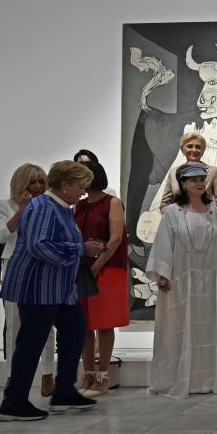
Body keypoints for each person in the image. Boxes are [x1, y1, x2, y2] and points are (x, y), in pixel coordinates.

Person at [0, 161, 105, 420]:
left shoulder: (61, 208)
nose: (83, 191)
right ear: (64, 185)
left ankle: (64, 393)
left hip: (59, 288)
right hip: (37, 287)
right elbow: (39, 246)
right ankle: (13, 403)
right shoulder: (43, 207)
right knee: (31, 342)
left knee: (75, 329)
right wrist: (81, 249)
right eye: (80, 186)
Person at [146, 162, 217, 399]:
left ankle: (206, 379)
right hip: (181, 279)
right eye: (193, 179)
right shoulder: (173, 212)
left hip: (210, 278)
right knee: (180, 326)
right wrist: (163, 275)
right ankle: (179, 378)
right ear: (183, 183)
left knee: (209, 325)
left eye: (202, 178)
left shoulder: (213, 210)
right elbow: (164, 244)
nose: (199, 182)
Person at [0, 163, 56, 397]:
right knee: (14, 323)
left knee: (47, 323)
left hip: (42, 266)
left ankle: (48, 373)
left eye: (41, 181)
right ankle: (12, 374)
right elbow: (0, 235)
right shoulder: (5, 205)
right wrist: (21, 209)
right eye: (33, 182)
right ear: (21, 184)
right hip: (14, 265)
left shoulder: (50, 206)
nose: (38, 186)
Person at [74, 161, 129, 397]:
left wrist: (96, 266)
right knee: (83, 324)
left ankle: (103, 376)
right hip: (83, 269)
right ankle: (88, 374)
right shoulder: (79, 205)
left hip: (108, 269)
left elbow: (115, 239)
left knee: (104, 322)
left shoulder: (112, 202)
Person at [155, 132, 217, 216]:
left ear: (203, 151)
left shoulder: (213, 172)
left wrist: (209, 217)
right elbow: (164, 203)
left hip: (204, 226)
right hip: (178, 226)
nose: (194, 150)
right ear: (182, 149)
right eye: (189, 146)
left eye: (198, 147)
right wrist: (174, 217)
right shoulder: (173, 172)